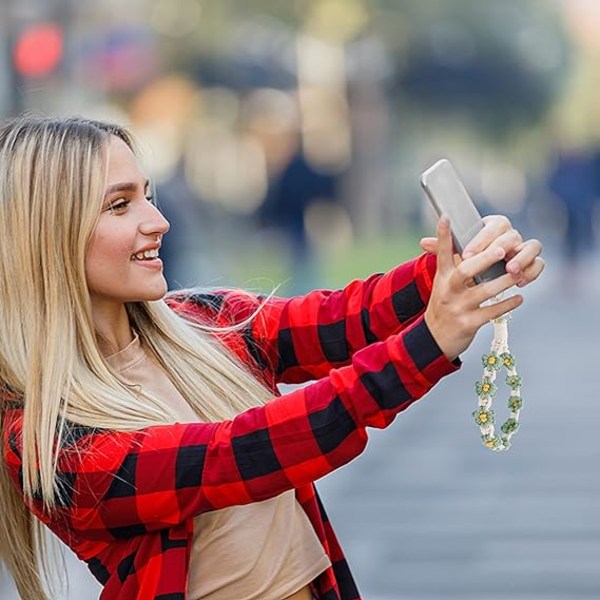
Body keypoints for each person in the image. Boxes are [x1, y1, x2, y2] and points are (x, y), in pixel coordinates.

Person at [0, 115, 544, 600]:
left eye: (148, 194)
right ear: (48, 236)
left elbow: (340, 318)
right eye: (120, 205)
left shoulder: (203, 322)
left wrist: (456, 268)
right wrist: (427, 344)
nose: (158, 221)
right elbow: (244, 453)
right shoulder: (47, 438)